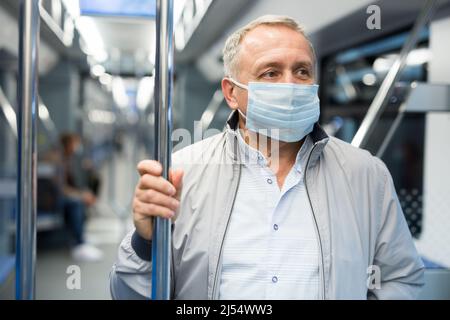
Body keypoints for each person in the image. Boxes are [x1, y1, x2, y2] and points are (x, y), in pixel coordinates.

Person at [110, 15, 424, 299]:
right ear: (232, 93)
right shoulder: (181, 173)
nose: (290, 84)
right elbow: (128, 296)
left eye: (302, 71)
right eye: (270, 73)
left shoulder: (366, 174)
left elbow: (400, 277)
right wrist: (146, 243)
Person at [60, 133, 103, 262]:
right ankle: (79, 244)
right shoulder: (59, 160)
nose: (77, 146)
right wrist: (81, 195)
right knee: (77, 203)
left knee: (83, 196)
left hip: (65, 195)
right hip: (54, 199)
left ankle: (81, 236)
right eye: (74, 143)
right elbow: (61, 189)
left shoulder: (72, 159)